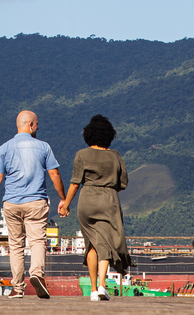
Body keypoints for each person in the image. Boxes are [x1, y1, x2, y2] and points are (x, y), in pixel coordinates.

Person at [0, 110, 66, 299]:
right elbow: (54, 174)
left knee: (16, 245)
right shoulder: (44, 147)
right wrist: (63, 198)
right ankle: (37, 275)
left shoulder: (4, 148)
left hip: (11, 203)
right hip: (36, 201)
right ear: (30, 124)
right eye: (37, 124)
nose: (38, 127)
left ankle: (17, 289)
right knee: (37, 241)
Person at [58, 114, 132, 302]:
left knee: (92, 243)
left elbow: (75, 183)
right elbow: (123, 183)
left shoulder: (81, 155)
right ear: (109, 135)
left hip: (86, 200)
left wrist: (66, 205)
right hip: (108, 200)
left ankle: (92, 289)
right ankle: (102, 286)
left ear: (88, 135)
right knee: (105, 243)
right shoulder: (115, 155)